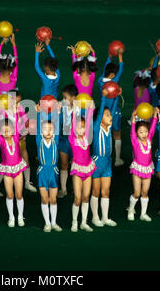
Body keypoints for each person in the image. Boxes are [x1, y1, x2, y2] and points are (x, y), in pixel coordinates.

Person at [0, 99, 27, 227]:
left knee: (19, 194)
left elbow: (17, 123)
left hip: (17, 168)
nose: (6, 133)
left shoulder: (16, 136)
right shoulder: (1, 140)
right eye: (4, 131)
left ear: (13, 130)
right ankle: (11, 217)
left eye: (8, 130)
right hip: (7, 170)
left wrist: (14, 112)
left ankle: (20, 216)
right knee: (10, 194)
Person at [90, 89, 119, 227]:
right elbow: (101, 112)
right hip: (96, 162)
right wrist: (103, 98)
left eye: (110, 115)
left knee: (105, 191)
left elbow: (112, 112)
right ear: (100, 118)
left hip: (107, 162)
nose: (110, 117)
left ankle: (105, 217)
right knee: (96, 191)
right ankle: (95, 217)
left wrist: (117, 97)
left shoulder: (109, 127)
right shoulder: (96, 127)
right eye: (106, 115)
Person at [126, 106, 158, 221]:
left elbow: (153, 128)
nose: (144, 134)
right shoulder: (135, 140)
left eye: (145, 131)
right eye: (141, 132)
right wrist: (134, 118)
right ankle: (131, 210)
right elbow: (132, 131)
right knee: (137, 192)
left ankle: (143, 214)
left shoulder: (149, 138)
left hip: (148, 168)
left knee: (145, 192)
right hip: (137, 168)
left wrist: (154, 116)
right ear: (136, 133)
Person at [34, 103, 63, 232]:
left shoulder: (55, 140)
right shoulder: (39, 140)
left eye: (51, 129)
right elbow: (39, 127)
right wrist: (39, 113)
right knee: (44, 199)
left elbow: (57, 127)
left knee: (53, 199)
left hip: (53, 172)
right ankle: (47, 223)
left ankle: (54, 222)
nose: (48, 131)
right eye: (45, 129)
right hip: (42, 172)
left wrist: (58, 112)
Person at [69, 99, 96, 232]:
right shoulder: (72, 138)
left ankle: (84, 222)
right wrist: (75, 109)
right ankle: (74, 222)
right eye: (79, 127)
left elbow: (89, 119)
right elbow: (74, 122)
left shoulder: (86, 136)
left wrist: (90, 108)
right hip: (78, 170)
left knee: (86, 196)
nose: (81, 129)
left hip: (88, 168)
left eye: (83, 127)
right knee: (78, 197)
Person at [98, 49, 124, 166]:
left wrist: (109, 57)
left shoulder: (100, 81)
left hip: (103, 113)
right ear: (113, 75)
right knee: (116, 134)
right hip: (115, 111)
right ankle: (117, 159)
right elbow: (121, 69)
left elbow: (105, 70)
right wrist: (120, 56)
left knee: (105, 134)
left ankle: (106, 157)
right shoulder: (115, 81)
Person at [57, 84, 78, 198]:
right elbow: (58, 122)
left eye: (65, 97)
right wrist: (59, 112)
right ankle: (63, 189)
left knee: (75, 165)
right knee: (64, 164)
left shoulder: (80, 108)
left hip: (75, 143)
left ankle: (76, 188)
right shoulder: (62, 108)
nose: (63, 100)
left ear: (73, 97)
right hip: (64, 141)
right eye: (63, 97)